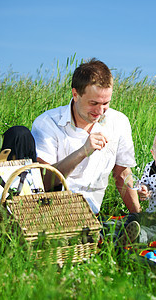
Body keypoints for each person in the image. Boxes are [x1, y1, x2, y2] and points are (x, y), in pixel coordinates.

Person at [30, 58, 140, 215]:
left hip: (91, 214)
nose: (100, 111)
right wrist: (83, 151)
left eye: (105, 103)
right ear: (75, 94)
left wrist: (139, 217)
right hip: (50, 212)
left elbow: (122, 173)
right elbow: (44, 182)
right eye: (93, 103)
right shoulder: (47, 123)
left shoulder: (119, 122)